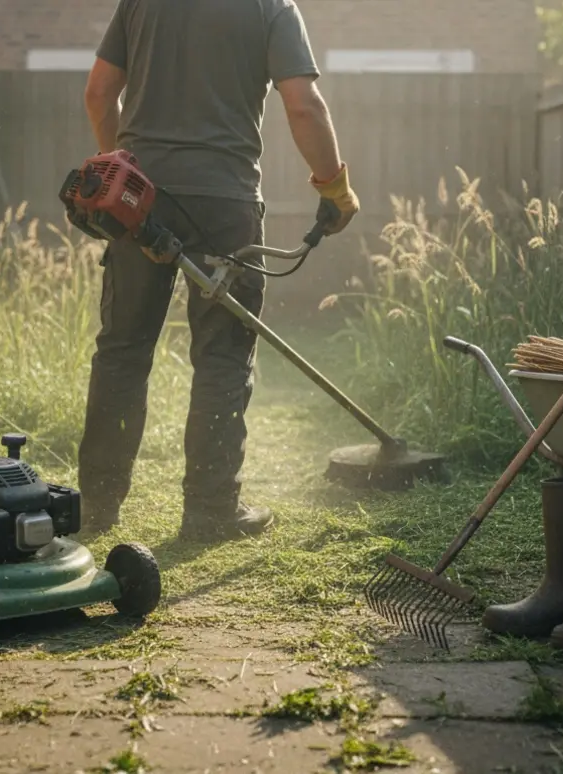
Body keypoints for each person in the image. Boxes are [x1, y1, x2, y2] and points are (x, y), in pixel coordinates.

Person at [77, 0, 359, 543]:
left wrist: (122, 172)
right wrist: (333, 187)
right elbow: (303, 105)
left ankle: (96, 506)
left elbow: (97, 92)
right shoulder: (270, 6)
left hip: (142, 199)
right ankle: (211, 510)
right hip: (224, 204)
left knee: (122, 352)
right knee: (224, 355)